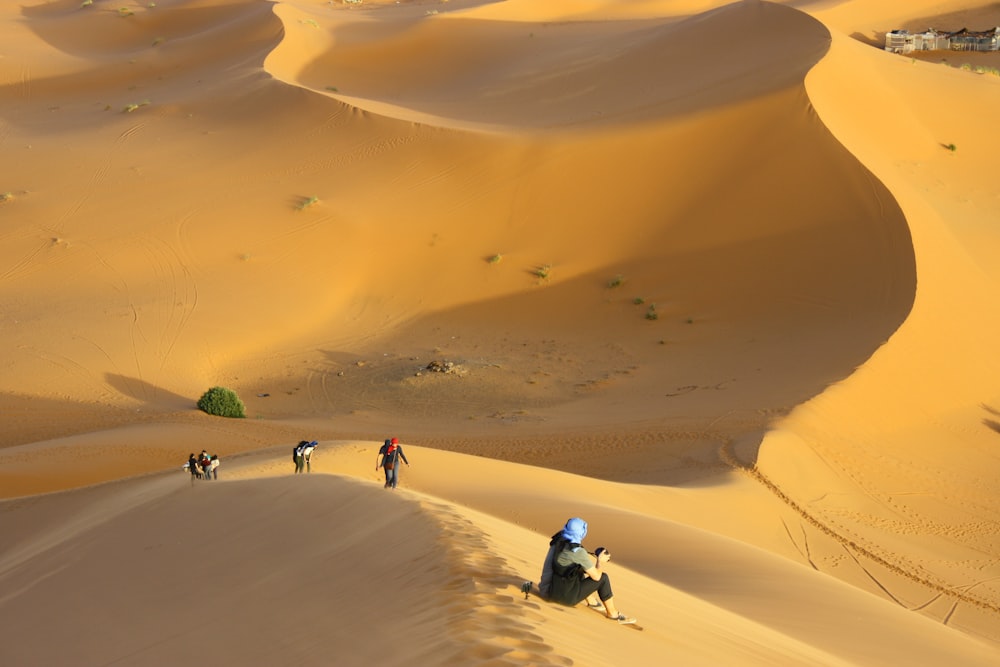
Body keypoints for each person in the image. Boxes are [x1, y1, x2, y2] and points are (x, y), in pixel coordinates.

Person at [538, 517, 636, 624]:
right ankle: (613, 613)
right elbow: (597, 577)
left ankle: (592, 601)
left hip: (546, 590)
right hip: (563, 599)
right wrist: (599, 561)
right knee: (603, 578)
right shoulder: (577, 552)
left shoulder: (558, 540)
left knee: (578, 568)